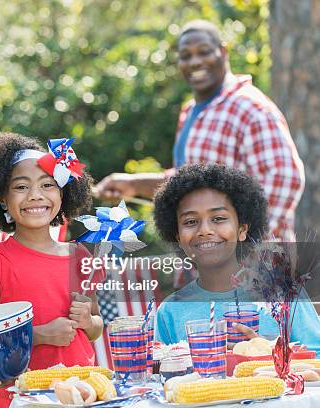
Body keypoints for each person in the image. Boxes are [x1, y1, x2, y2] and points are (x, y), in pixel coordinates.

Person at [94, 19, 305, 241]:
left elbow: (285, 178)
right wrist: (132, 185)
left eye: (204, 52)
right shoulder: (191, 112)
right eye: (186, 56)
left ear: (223, 52)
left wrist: (241, 247)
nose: (195, 61)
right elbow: (187, 182)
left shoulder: (250, 108)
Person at [0, 133, 105, 407]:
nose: (35, 195)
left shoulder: (79, 257)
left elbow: (96, 326)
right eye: (20, 187)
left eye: (47, 184)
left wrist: (88, 321)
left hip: (82, 395)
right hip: (18, 399)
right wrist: (39, 335)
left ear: (62, 194)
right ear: (2, 198)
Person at [152, 163, 319, 354]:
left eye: (218, 219)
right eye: (191, 222)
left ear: (242, 230)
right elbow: (162, 374)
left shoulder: (285, 294)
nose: (205, 230)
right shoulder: (170, 311)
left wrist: (273, 353)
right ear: (178, 238)